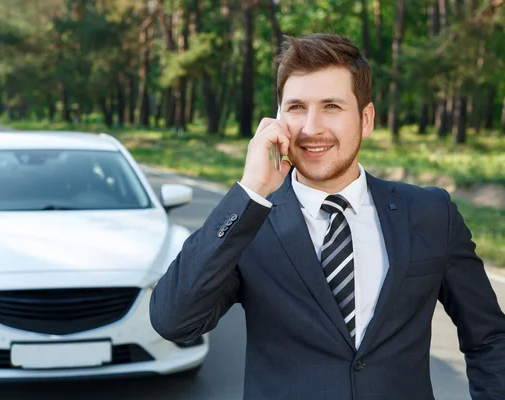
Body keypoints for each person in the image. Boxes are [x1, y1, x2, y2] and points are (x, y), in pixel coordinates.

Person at [149, 33, 505, 399]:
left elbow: (491, 339)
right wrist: (251, 188)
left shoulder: (431, 213)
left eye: (331, 106)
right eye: (296, 107)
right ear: (276, 118)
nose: (311, 128)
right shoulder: (249, 221)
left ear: (366, 120)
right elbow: (173, 321)